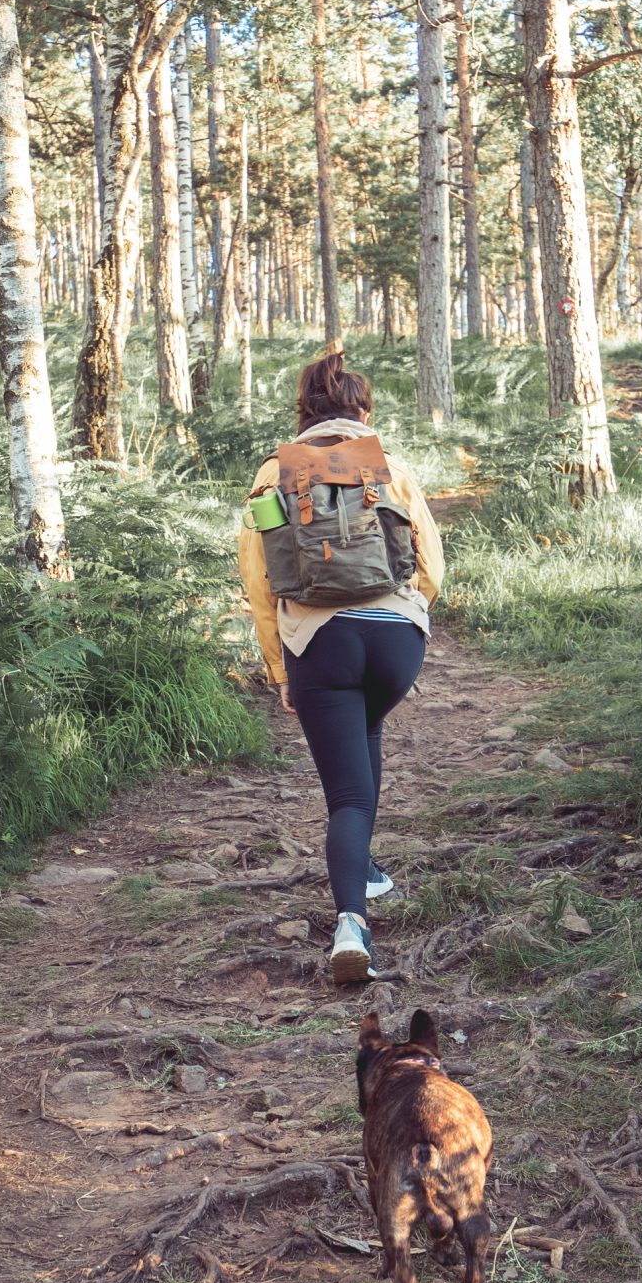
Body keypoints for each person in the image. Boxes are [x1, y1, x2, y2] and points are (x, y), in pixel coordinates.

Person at [238, 350, 445, 984]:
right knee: (366, 732)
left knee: (347, 798)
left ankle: (350, 923)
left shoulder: (274, 473)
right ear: (362, 411)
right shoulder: (387, 466)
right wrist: (408, 612)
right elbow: (431, 563)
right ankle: (371, 870)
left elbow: (258, 581)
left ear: (305, 411)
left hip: (319, 642)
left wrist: (280, 670)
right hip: (395, 643)